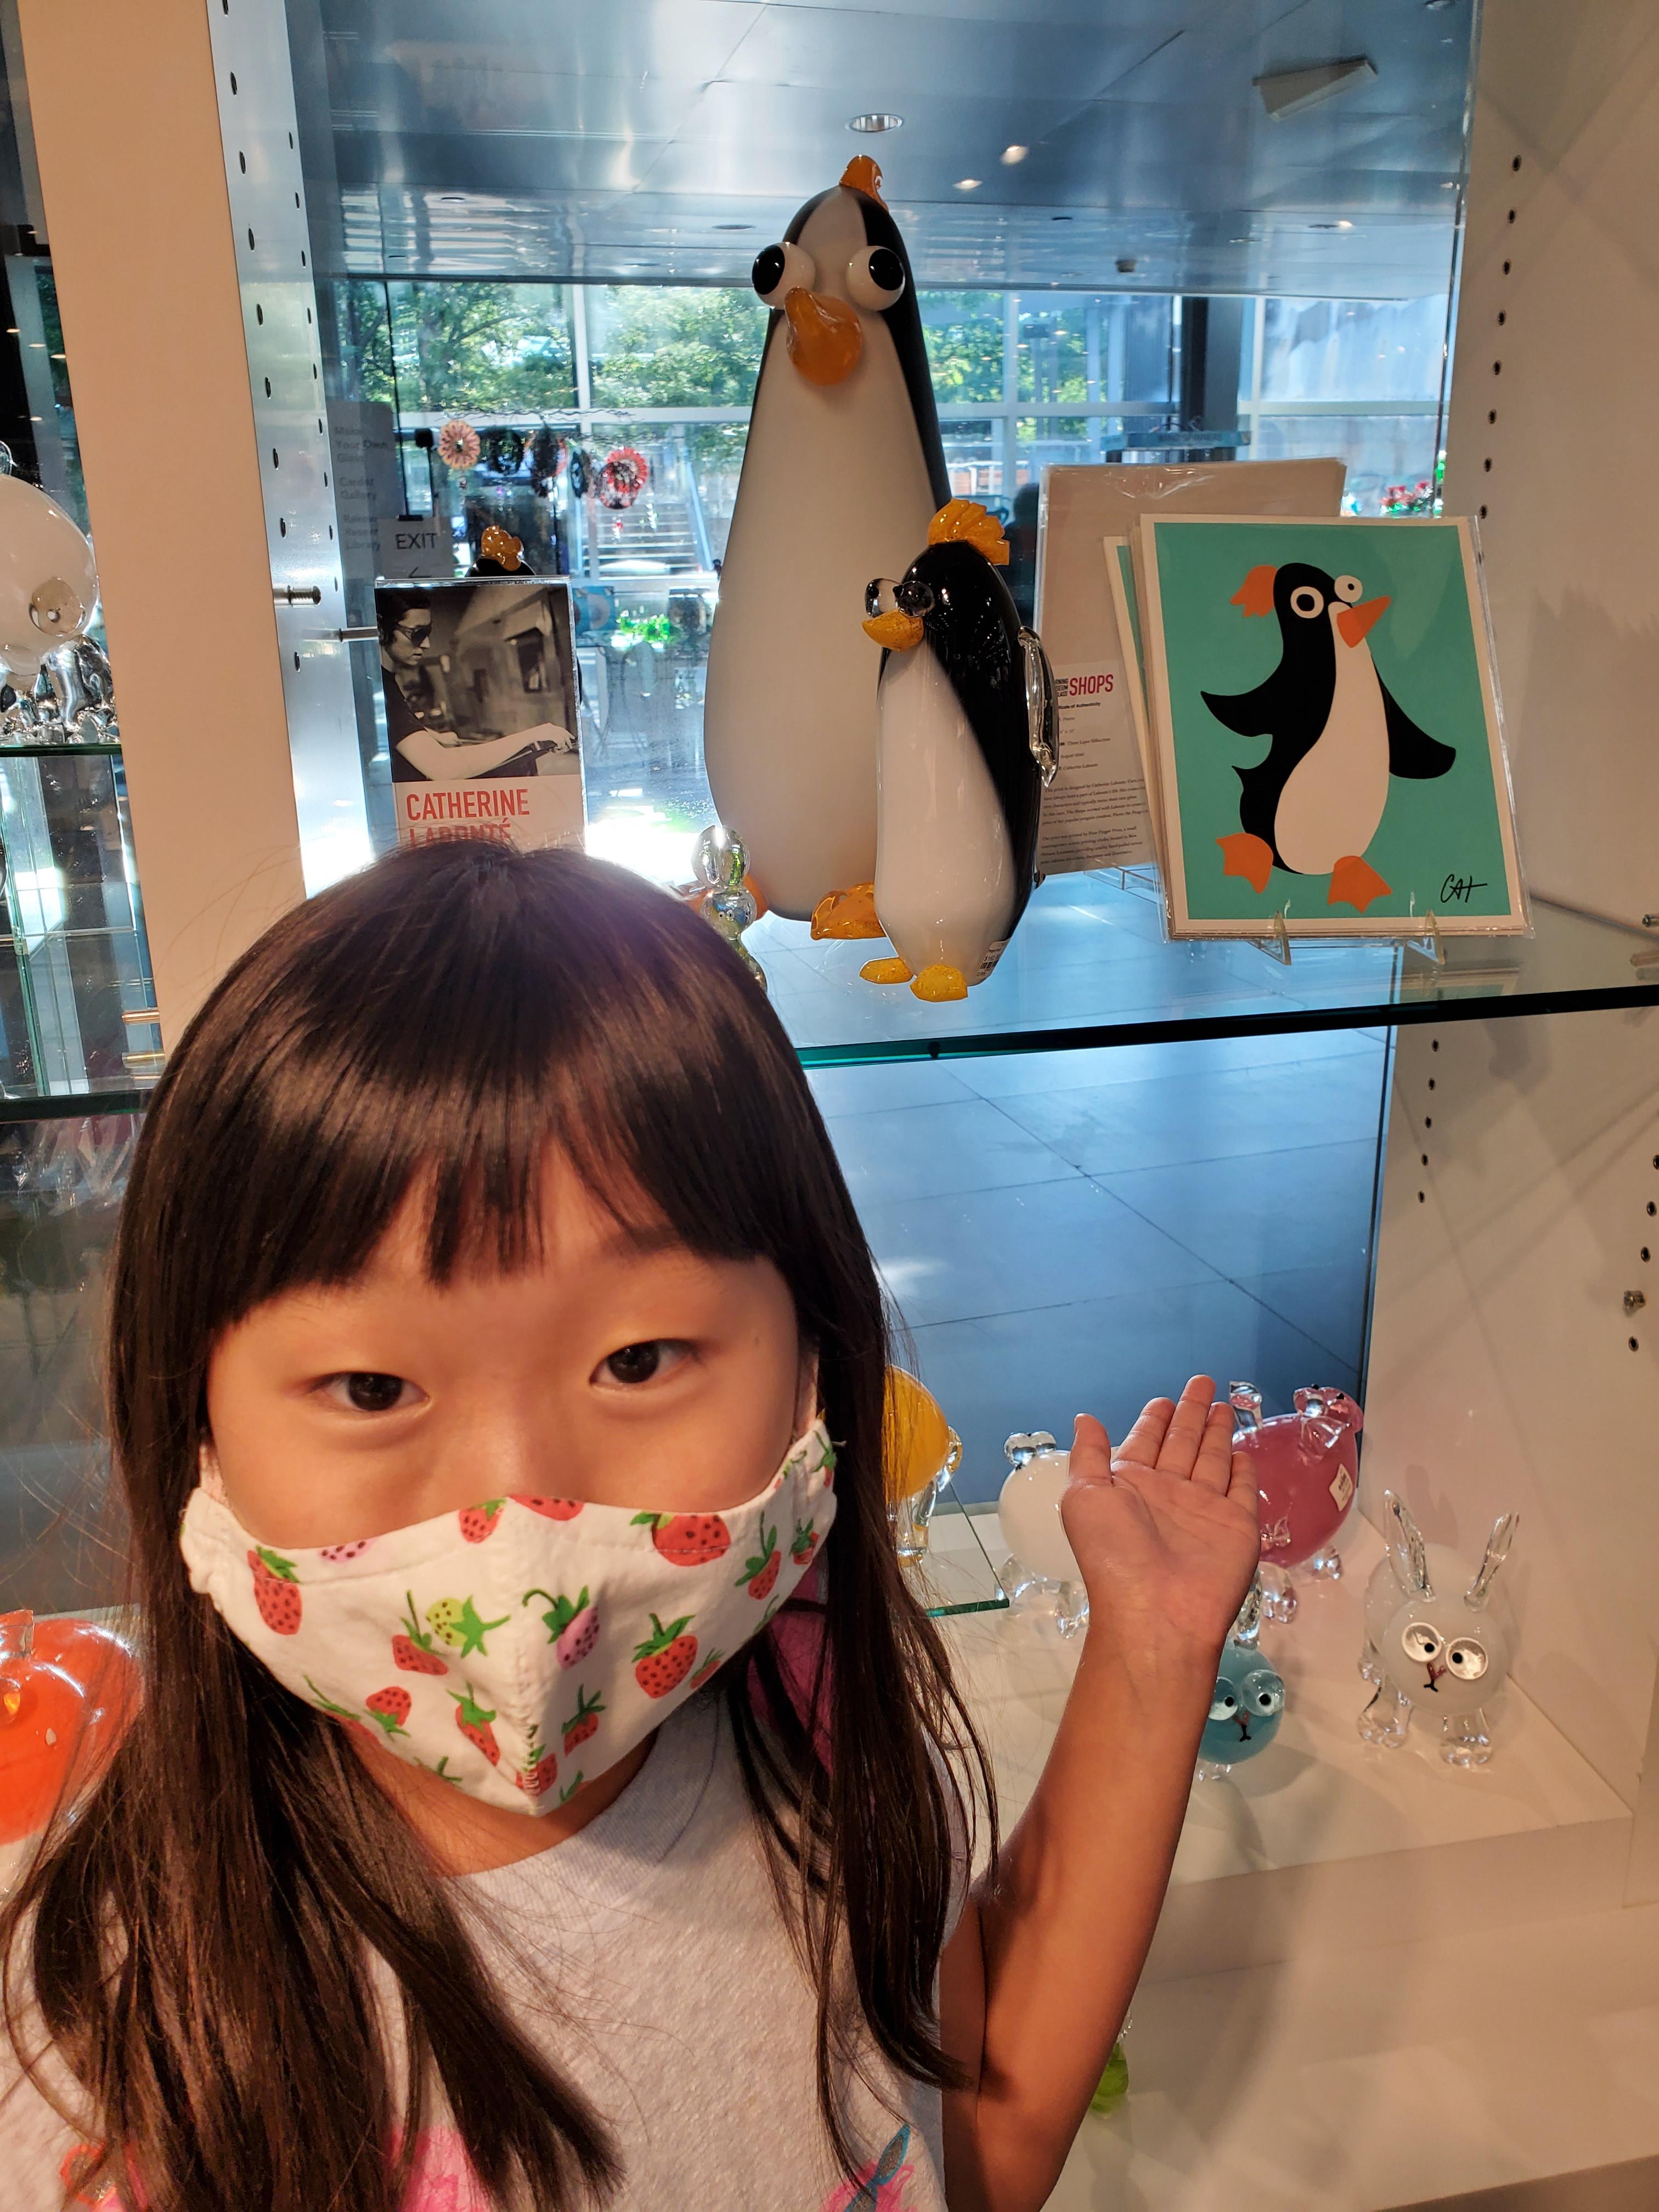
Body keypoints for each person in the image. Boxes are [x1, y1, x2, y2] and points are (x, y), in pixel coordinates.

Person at [0, 842, 1258, 2212]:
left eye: (640, 1360)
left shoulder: (826, 1727)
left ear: (813, 1360)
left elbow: (964, 2150)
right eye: (370, 1388)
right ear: (191, 1416)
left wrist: (1154, 1651)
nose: (516, 1506)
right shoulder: (85, 2028)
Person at [380, 598, 569, 783]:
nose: (427, 644)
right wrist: (532, 735)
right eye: (417, 633)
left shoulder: (383, 680)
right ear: (382, 632)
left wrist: (435, 737)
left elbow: (397, 726)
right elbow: (443, 768)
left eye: (428, 633)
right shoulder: (382, 690)